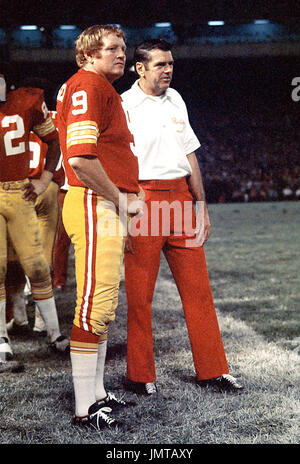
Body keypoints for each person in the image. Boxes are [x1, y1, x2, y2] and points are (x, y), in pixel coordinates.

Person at [121, 39, 244, 395]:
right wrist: (125, 205)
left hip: (180, 199)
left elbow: (190, 155)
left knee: (199, 290)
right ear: (140, 68)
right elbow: (116, 159)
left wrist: (201, 205)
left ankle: (213, 370)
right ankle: (141, 375)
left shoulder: (176, 99)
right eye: (160, 64)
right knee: (140, 296)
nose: (169, 70)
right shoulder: (124, 104)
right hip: (143, 199)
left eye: (171, 63)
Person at [56, 25, 144, 430]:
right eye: (111, 48)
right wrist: (121, 198)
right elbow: (81, 160)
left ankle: (97, 394)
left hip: (101, 202)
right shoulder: (89, 85)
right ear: (89, 54)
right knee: (94, 304)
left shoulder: (94, 86)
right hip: (94, 202)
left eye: (123, 48)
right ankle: (82, 409)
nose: (121, 54)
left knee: (103, 305)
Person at [0, 64, 69, 374]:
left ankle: (55, 334)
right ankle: (1, 339)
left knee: (38, 266)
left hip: (19, 192)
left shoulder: (26, 101)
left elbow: (54, 141)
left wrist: (45, 178)